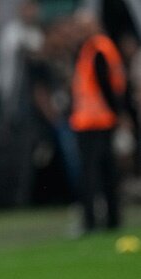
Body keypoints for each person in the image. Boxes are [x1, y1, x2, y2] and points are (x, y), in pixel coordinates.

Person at [69, 10, 127, 234]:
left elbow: (105, 85)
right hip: (97, 120)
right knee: (106, 172)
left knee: (92, 174)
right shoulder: (96, 48)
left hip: (93, 121)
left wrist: (118, 113)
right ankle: (111, 218)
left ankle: (92, 220)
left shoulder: (96, 48)